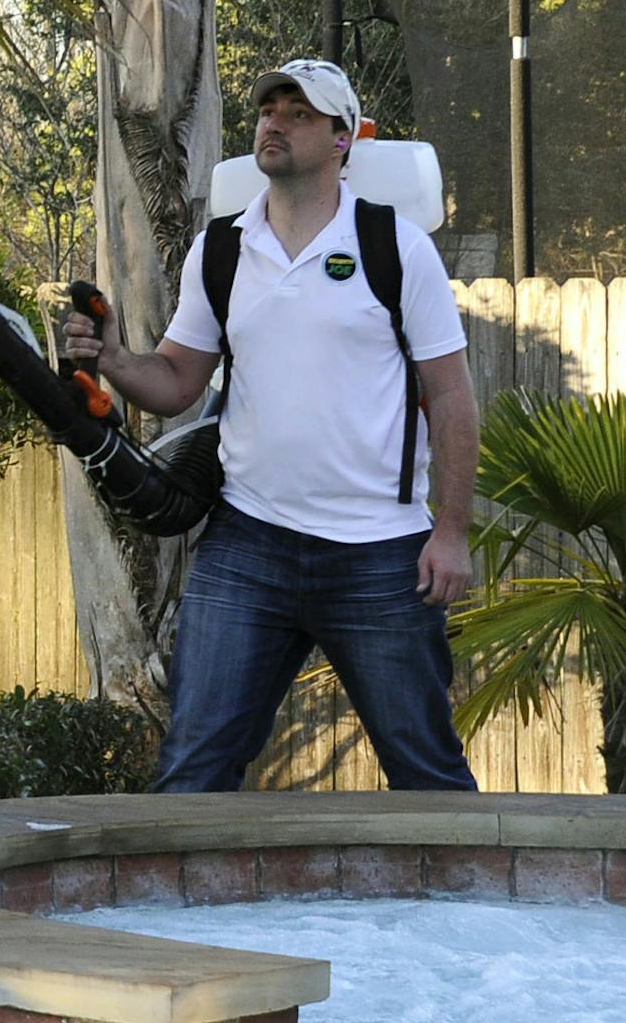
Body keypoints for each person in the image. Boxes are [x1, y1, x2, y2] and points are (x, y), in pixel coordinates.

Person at [63, 58, 480, 791]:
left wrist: (449, 533)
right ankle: (172, 908)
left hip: (379, 554)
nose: (274, 121)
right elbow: (175, 382)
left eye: (299, 112)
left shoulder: (396, 248)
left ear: (343, 138)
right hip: (248, 546)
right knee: (193, 770)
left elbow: (450, 398)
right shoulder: (220, 250)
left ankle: (467, 903)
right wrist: (111, 358)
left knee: (429, 778)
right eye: (268, 109)